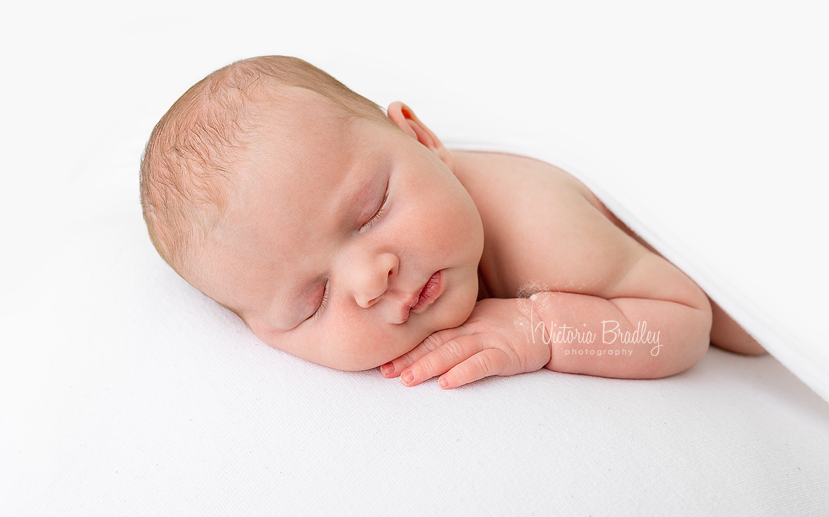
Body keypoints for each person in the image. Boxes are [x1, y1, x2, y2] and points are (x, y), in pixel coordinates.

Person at [140, 56, 766, 390]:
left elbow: (686, 320)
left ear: (421, 137)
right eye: (313, 300)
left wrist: (544, 328)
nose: (370, 280)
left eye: (371, 211)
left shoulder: (542, 233)